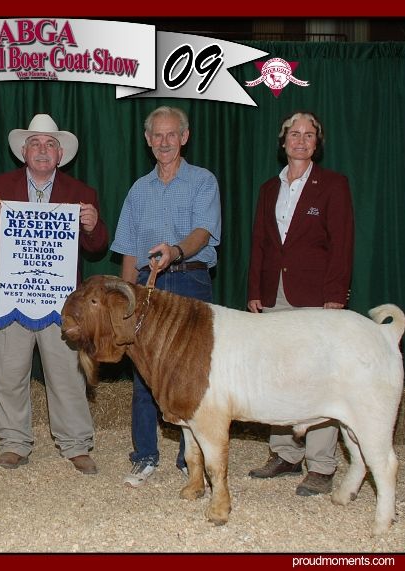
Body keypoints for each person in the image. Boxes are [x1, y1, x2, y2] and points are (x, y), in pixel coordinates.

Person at [0, 113, 108, 474]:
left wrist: (92, 226)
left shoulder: (81, 193)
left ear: (60, 154)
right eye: (35, 144)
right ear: (23, 151)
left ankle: (76, 443)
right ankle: (14, 442)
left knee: (67, 376)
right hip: (10, 298)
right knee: (8, 375)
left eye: (49, 145)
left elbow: (98, 245)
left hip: (60, 303)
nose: (42, 150)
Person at [111, 106, 221, 488]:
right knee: (145, 374)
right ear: (147, 140)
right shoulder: (138, 190)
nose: (164, 142)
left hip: (190, 281)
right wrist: (126, 301)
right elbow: (128, 250)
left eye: (171, 134)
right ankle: (144, 454)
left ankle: (187, 457)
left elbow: (203, 234)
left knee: (190, 373)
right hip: (148, 288)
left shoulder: (203, 181)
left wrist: (175, 251)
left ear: (184, 137)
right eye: (157, 135)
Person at [246, 111, 354, 496]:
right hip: (273, 294)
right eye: (295, 133)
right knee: (277, 374)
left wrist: (335, 297)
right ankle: (285, 454)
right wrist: (254, 291)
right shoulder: (267, 190)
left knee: (316, 378)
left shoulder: (333, 185)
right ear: (284, 140)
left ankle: (322, 465)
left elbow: (341, 245)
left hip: (315, 299)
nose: (301, 140)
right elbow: (260, 243)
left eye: (309, 135)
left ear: (316, 143)